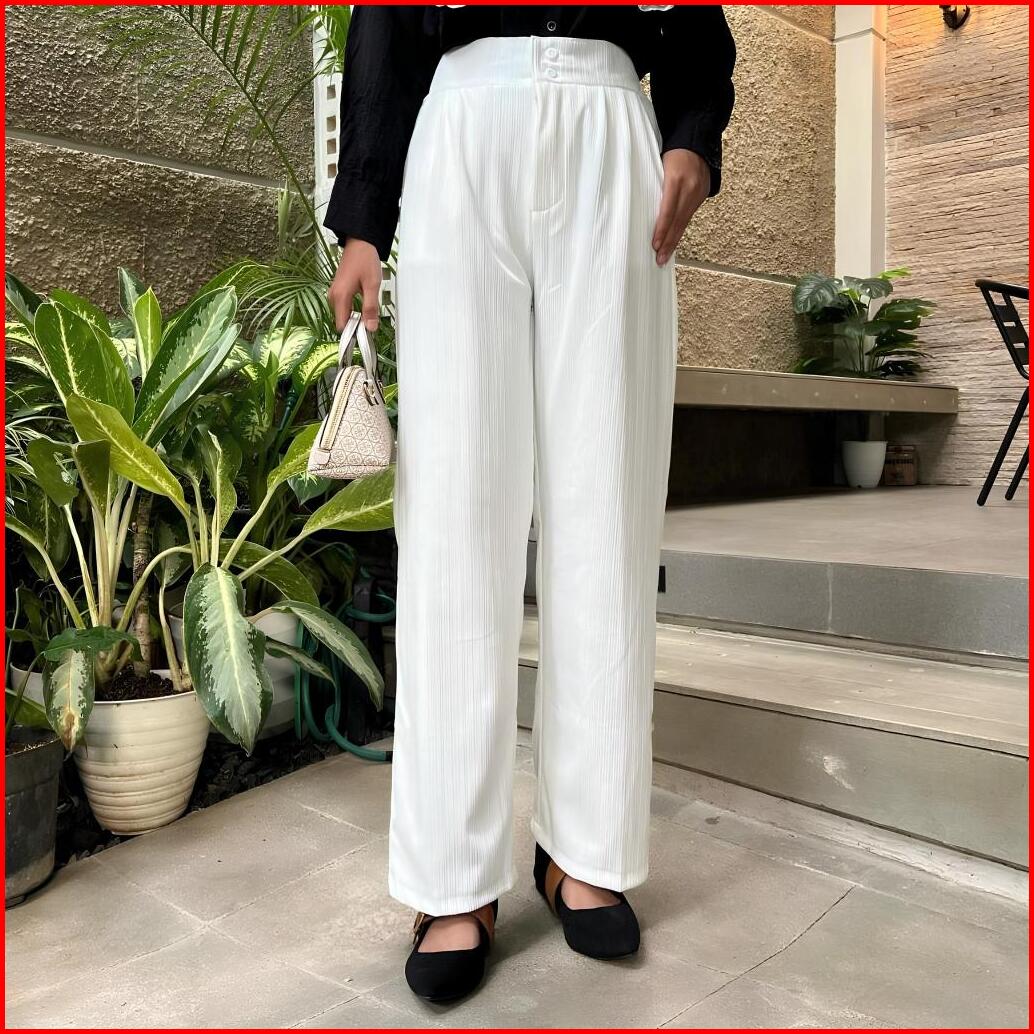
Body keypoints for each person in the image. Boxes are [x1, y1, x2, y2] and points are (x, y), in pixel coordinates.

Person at [324, 4, 735, 1003]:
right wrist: (365, 215)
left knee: (606, 509)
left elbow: (699, 27)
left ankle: (583, 848)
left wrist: (691, 126)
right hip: (462, 116)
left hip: (611, 118)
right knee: (454, 519)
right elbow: (382, 22)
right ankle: (450, 879)